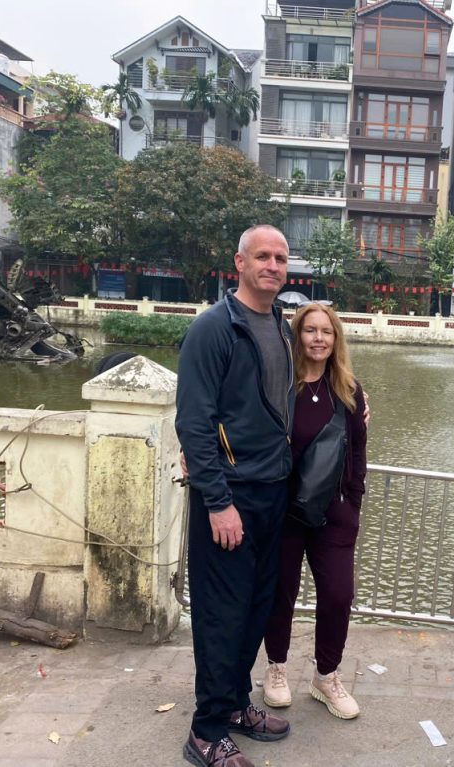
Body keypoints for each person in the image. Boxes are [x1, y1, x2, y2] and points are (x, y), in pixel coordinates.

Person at [176, 224, 294, 767]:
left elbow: (286, 402)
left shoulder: (281, 326)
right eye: (262, 256)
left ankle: (235, 705)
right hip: (231, 497)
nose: (272, 265)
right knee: (222, 614)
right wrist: (217, 501)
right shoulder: (213, 328)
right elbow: (194, 424)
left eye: (280, 258)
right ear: (239, 264)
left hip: (274, 491)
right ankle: (205, 730)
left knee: (255, 609)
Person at [262, 303, 368, 720]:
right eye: (310, 331)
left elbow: (357, 453)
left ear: (336, 338)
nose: (319, 338)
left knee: (339, 595)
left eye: (327, 331)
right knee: (280, 594)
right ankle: (276, 668)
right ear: (297, 335)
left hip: (335, 514)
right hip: (284, 511)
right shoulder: (281, 386)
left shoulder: (349, 390)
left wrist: (354, 504)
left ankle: (327, 676)